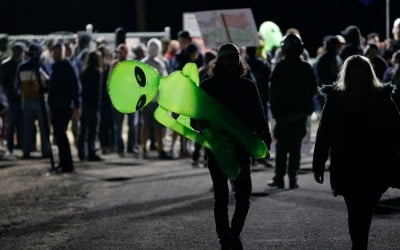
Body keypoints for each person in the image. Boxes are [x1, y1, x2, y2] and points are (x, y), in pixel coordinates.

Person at [313, 55, 400, 250]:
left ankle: (359, 245)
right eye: (354, 74)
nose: (358, 78)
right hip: (347, 164)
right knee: (355, 209)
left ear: (368, 75)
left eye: (361, 74)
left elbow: (396, 129)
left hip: (375, 164)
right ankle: (359, 245)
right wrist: (318, 163)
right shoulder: (336, 99)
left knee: (364, 209)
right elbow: (324, 133)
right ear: (347, 75)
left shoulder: (381, 97)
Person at [193, 43, 271, 250]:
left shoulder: (247, 85)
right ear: (219, 61)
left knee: (244, 196)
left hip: (241, 147)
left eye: (235, 57)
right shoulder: (207, 86)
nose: (232, 61)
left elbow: (258, 113)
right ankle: (224, 237)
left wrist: (265, 137)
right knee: (221, 197)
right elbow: (195, 117)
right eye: (228, 57)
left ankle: (232, 234)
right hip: (218, 147)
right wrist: (199, 124)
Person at [268, 34, 317, 189]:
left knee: (282, 148)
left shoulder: (280, 67)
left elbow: (272, 93)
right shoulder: (306, 67)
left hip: (283, 116)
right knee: (294, 148)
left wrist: (278, 112)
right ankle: (292, 178)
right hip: (299, 115)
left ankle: (279, 178)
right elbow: (313, 91)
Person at [48, 43, 81, 173]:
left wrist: (77, 106)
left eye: (58, 52)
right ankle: (63, 163)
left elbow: (75, 87)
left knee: (61, 134)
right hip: (56, 106)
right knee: (58, 135)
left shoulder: (68, 67)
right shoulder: (54, 67)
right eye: (55, 52)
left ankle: (67, 164)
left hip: (64, 106)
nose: (56, 55)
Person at [17, 43, 52, 159]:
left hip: (26, 100)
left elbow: (17, 85)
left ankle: (26, 150)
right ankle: (45, 150)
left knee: (27, 127)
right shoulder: (41, 66)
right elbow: (48, 82)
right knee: (44, 127)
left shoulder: (21, 67)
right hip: (40, 99)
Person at [140, 38, 170, 159]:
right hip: (157, 100)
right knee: (158, 127)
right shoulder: (159, 64)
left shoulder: (142, 63)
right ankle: (160, 149)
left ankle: (143, 149)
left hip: (145, 100)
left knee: (145, 125)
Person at [0, 42, 25, 156]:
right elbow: (3, 83)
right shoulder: (6, 65)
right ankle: (10, 147)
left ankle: (20, 144)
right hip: (10, 99)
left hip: (19, 98)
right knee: (10, 125)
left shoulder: (20, 65)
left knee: (20, 123)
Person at [77, 50, 103, 161]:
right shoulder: (97, 73)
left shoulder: (84, 72)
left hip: (84, 102)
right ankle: (91, 152)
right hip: (93, 103)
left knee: (83, 129)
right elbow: (98, 91)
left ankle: (81, 152)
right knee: (92, 130)